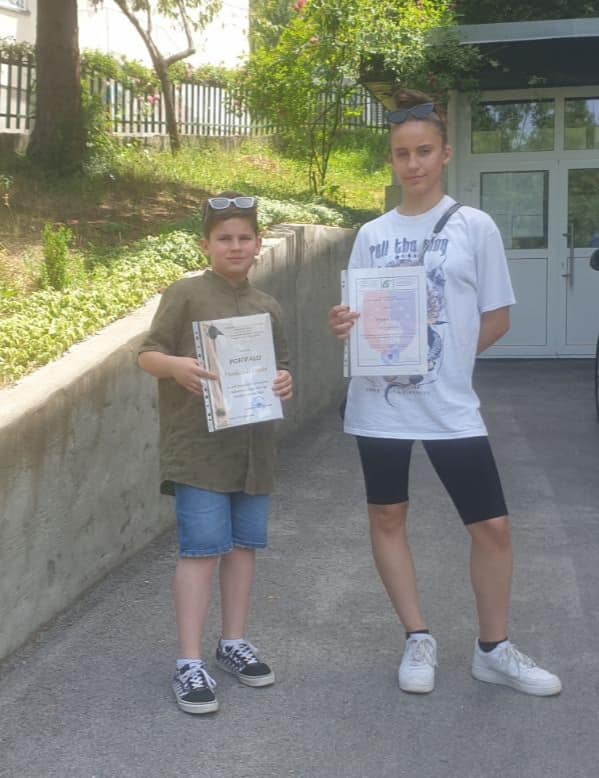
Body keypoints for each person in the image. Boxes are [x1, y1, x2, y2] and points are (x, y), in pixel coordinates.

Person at [328, 90, 561, 696]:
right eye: (402, 154)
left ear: (445, 154)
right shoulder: (372, 234)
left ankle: (493, 649)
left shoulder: (475, 227)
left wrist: (444, 362)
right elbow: (361, 317)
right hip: (379, 404)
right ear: (391, 159)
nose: (413, 164)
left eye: (424, 151)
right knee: (387, 515)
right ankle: (417, 637)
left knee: (493, 527)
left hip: (449, 404)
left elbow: (497, 318)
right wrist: (346, 326)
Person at [138, 192, 293, 714]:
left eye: (245, 237)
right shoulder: (185, 295)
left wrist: (284, 380)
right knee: (201, 550)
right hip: (199, 453)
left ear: (259, 244)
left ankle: (232, 642)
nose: (235, 246)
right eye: (224, 238)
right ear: (205, 244)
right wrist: (174, 366)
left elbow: (282, 367)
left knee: (244, 547)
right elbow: (146, 353)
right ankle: (188, 661)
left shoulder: (267, 306)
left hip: (253, 451)